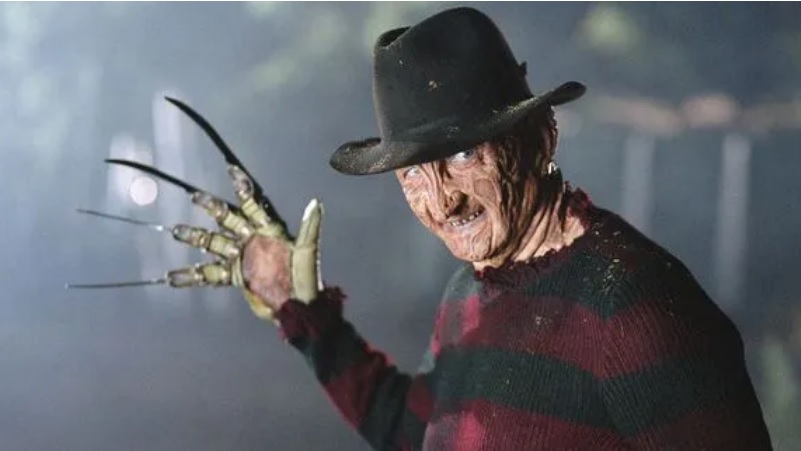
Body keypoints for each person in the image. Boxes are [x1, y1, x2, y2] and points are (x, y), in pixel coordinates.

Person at [109, 7, 772, 450]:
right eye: (412, 173)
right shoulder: (471, 291)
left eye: (462, 155)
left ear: (540, 136)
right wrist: (305, 313)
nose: (441, 202)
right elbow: (422, 432)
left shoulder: (635, 310)